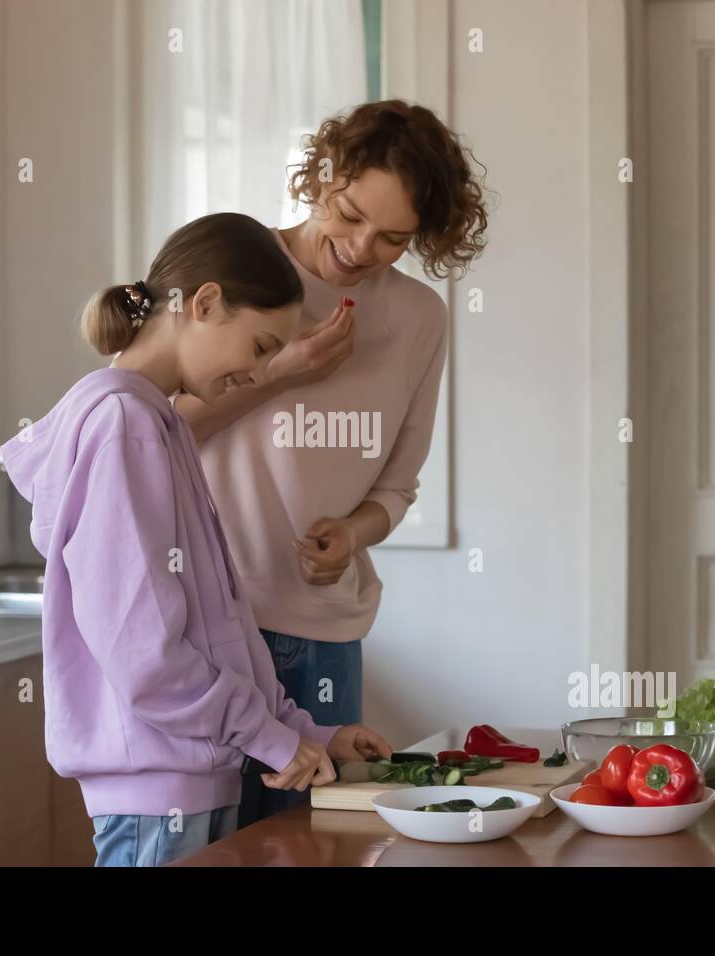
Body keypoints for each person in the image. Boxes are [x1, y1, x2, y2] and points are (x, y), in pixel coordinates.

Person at [1, 212, 391, 866]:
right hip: (158, 797)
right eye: (263, 347)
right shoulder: (123, 426)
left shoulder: (161, 423)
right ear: (206, 303)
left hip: (186, 782)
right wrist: (267, 737)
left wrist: (307, 732)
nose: (260, 370)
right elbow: (145, 651)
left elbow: (217, 631)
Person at [173, 101, 490, 826]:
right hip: (207, 627)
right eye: (348, 214)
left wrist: (354, 534)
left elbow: (397, 485)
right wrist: (281, 374)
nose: (358, 247)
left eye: (392, 239)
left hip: (323, 635)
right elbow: (155, 432)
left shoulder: (418, 319)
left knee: (309, 847)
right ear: (322, 174)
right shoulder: (232, 268)